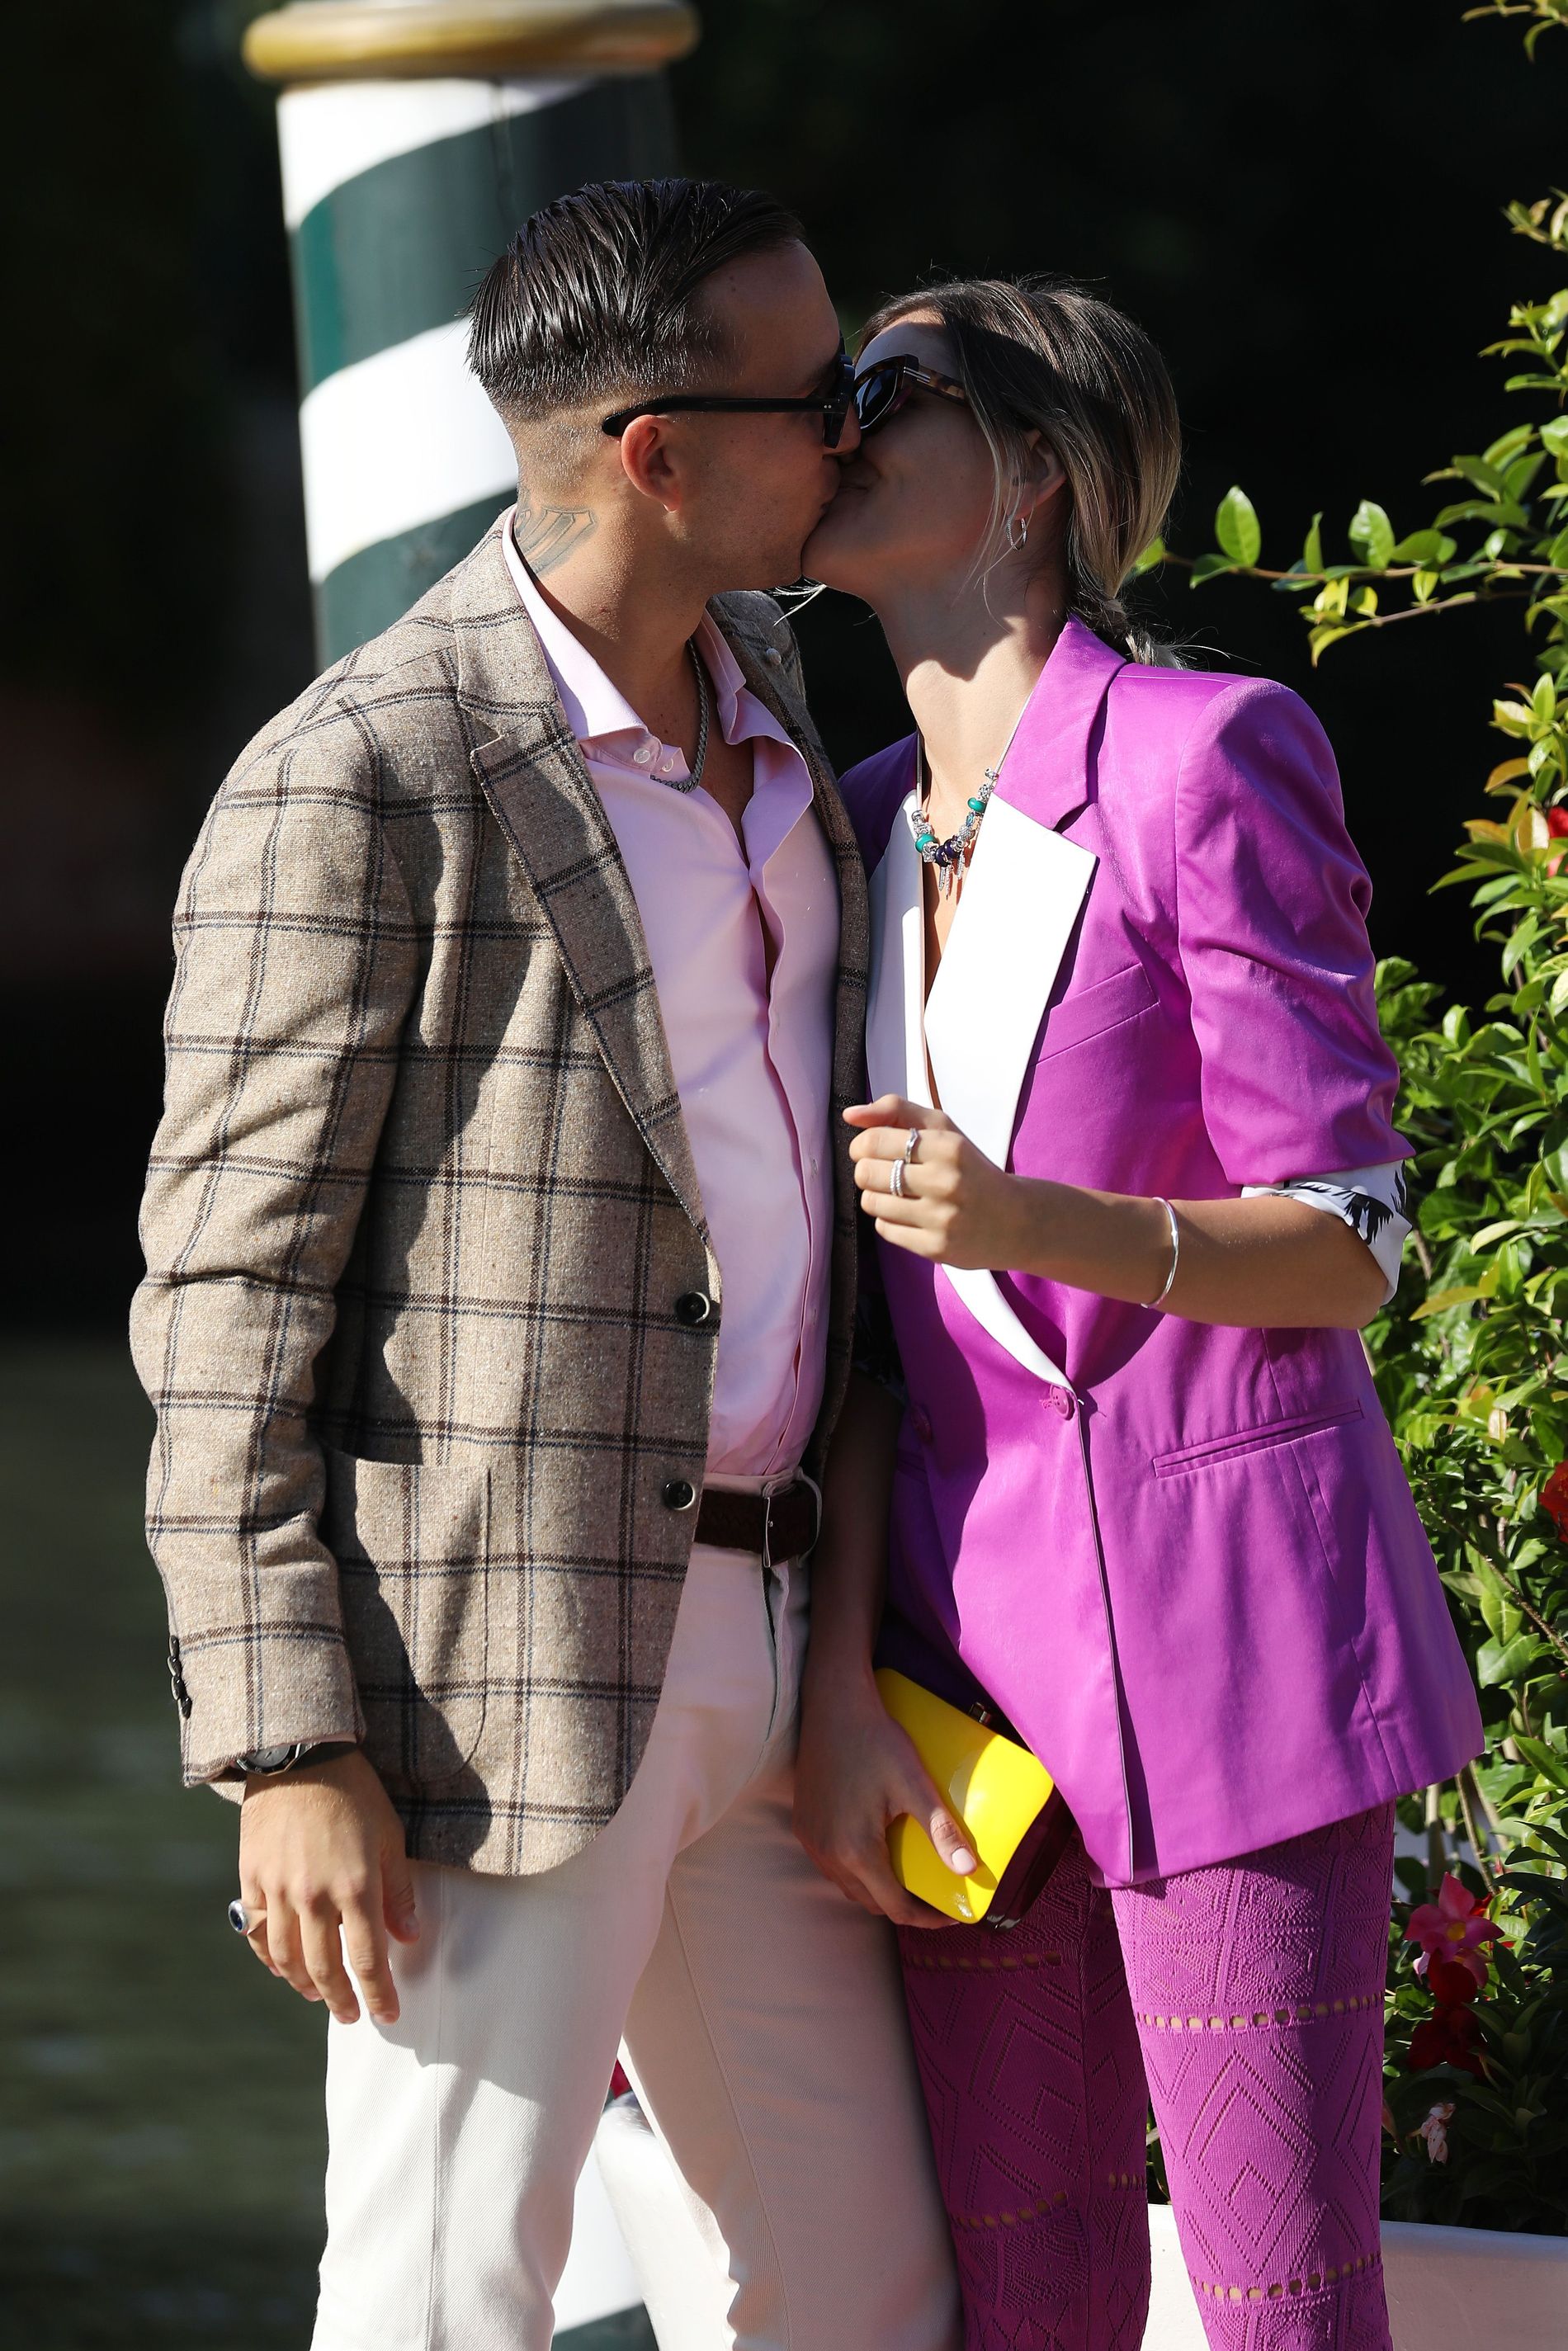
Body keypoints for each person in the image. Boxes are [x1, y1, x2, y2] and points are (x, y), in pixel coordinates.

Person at [130, 177, 962, 2351]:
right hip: (480, 1675)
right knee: (438, 2303)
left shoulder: (794, 716)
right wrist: (284, 1745)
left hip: (785, 1648)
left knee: (861, 2291)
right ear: (653, 451)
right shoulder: (361, 776)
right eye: (826, 397)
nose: (861, 435)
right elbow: (225, 1307)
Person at [791, 276, 1483, 2351]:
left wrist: (1032, 1221)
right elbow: (841, 1358)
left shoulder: (1205, 754)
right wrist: (833, 1694)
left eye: (877, 392)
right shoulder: (838, 827)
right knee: (1029, 2293)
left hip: (1237, 1641)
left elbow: (1352, 1232)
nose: (821, 423)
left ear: (1031, 475)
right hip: (951, 1671)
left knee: (1277, 2300)